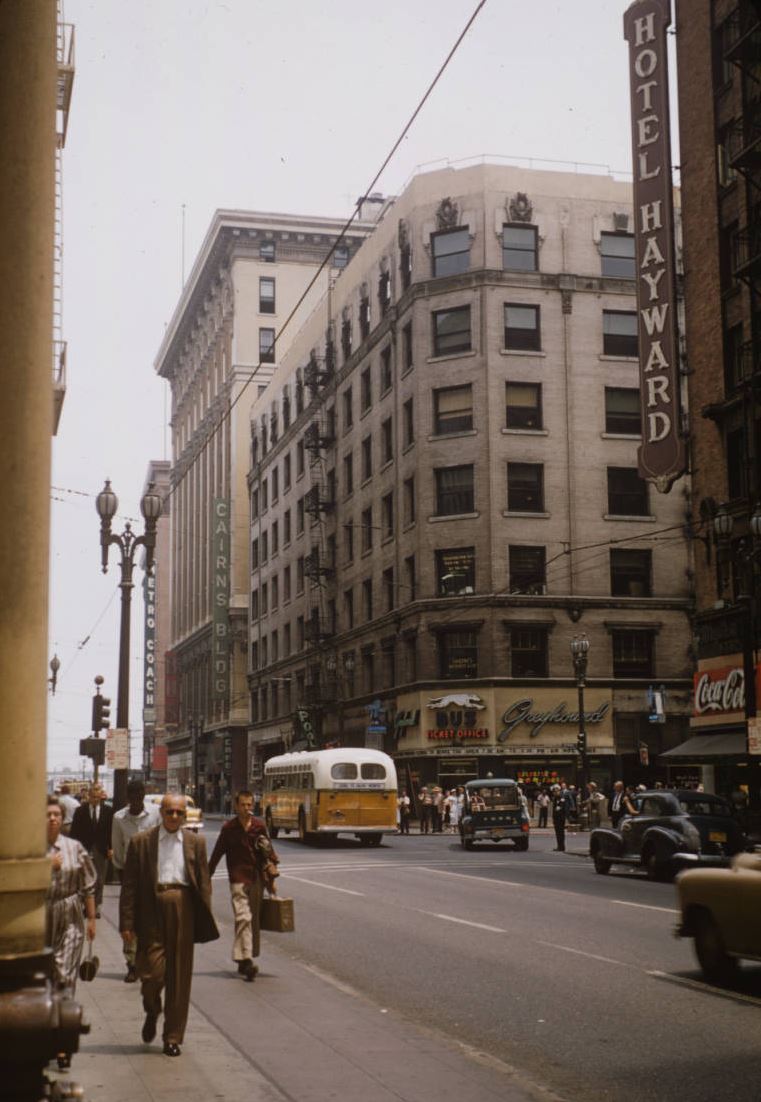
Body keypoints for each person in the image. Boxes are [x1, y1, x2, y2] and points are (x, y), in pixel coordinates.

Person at [119, 793, 219, 1058]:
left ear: (185, 816)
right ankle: (152, 1009)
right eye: (169, 812)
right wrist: (126, 922)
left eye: (179, 813)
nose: (174, 817)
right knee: (152, 974)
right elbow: (129, 885)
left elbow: (204, 882)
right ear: (160, 813)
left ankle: (172, 1036)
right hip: (151, 909)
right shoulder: (142, 842)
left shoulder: (196, 842)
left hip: (183, 908)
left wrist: (202, 917)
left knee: (179, 976)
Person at [46, 797, 97, 1069]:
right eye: (47, 815)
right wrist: (44, 867)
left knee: (64, 977)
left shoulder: (74, 848)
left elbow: (88, 884)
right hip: (39, 917)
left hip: (69, 916)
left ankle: (63, 1044)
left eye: (56, 815)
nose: (52, 819)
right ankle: (45, 1035)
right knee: (44, 980)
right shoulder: (31, 849)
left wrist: (91, 918)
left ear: (62, 818)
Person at [208, 790, 279, 982]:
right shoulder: (229, 829)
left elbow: (269, 852)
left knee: (251, 920)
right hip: (238, 880)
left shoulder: (259, 826)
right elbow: (217, 854)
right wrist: (207, 875)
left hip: (256, 880)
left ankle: (241, 958)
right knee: (243, 917)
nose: (247, 808)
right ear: (236, 806)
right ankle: (247, 961)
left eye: (250, 805)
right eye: (243, 805)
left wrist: (271, 881)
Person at [111, 778, 160, 982]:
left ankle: (148, 960)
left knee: (150, 919)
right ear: (128, 798)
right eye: (133, 797)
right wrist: (122, 874)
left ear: (143, 796)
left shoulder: (154, 814)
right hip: (129, 874)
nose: (137, 801)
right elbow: (117, 847)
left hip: (152, 873)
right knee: (129, 919)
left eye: (140, 796)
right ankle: (131, 963)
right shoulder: (119, 818)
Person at [70, 783, 113, 917]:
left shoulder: (108, 811)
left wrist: (111, 848)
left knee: (100, 879)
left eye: (97, 797)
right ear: (88, 796)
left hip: (101, 849)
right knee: (85, 878)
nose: (95, 799)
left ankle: (97, 906)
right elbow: (74, 832)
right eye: (92, 796)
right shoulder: (80, 811)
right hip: (84, 849)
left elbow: (111, 831)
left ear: (101, 796)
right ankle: (85, 906)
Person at [551, 784, 573, 852]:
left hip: (560, 818)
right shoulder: (555, 798)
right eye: (554, 791)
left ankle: (561, 847)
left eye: (555, 791)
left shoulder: (561, 798)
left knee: (560, 833)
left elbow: (560, 807)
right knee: (558, 833)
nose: (554, 793)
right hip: (556, 818)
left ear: (558, 790)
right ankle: (559, 846)